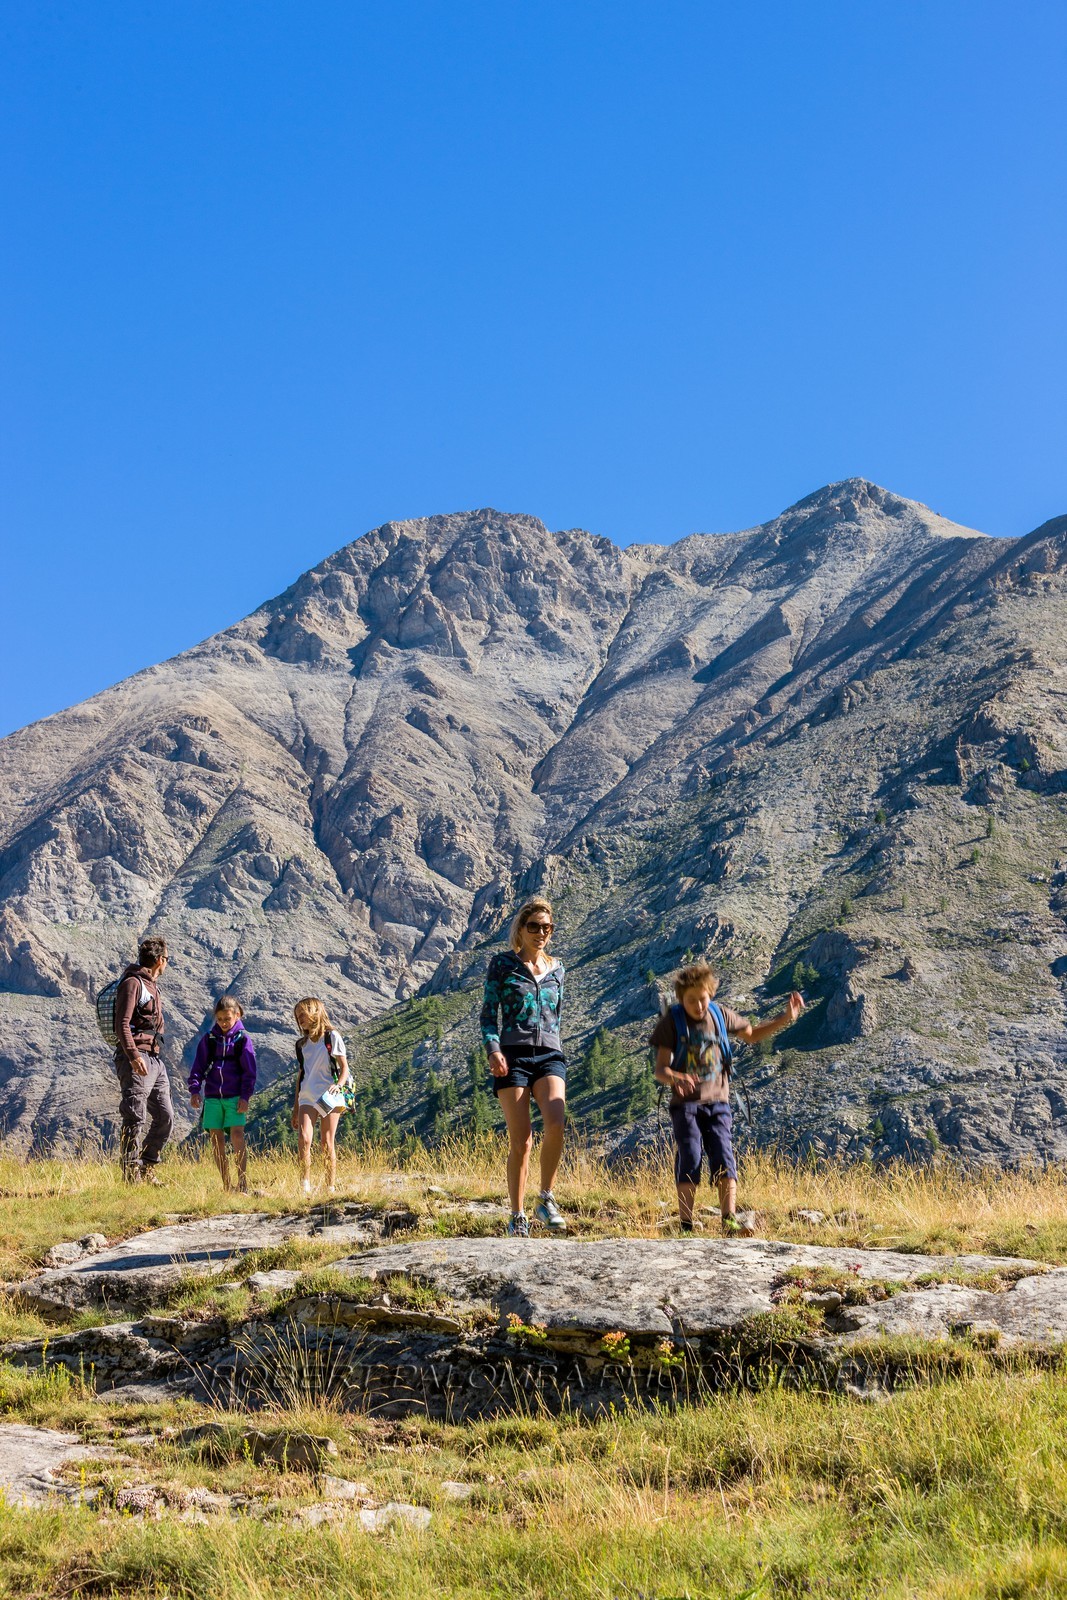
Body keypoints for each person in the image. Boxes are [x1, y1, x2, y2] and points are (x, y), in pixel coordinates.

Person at [650, 962, 804, 1235]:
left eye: (702, 998)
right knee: (690, 1156)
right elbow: (660, 1070)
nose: (698, 1006)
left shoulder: (720, 1015)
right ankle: (686, 1225)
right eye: (691, 1000)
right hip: (685, 1105)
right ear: (681, 999)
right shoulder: (672, 1022)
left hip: (718, 1101)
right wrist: (677, 1078)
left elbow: (752, 1035)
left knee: (724, 1154)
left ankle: (729, 1221)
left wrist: (785, 1018)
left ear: (710, 993)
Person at [481, 896, 569, 1237]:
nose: (541, 933)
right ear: (521, 928)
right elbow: (488, 1014)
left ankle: (545, 1198)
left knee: (556, 1122)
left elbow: (556, 1016)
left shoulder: (558, 969)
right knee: (523, 1141)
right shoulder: (502, 964)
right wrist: (493, 1050)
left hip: (549, 1054)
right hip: (513, 1057)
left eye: (547, 927)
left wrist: (554, 1044)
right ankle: (517, 1216)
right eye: (534, 926)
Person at [114, 936, 173, 1184]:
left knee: (165, 1116)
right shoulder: (133, 983)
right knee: (135, 1116)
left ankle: (148, 1167)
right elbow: (122, 1023)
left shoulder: (152, 986)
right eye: (167, 959)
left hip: (155, 1060)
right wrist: (133, 1055)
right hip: (137, 1058)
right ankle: (131, 1177)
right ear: (160, 960)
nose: (167, 963)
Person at [188, 995, 257, 1193]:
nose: (224, 1023)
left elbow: (249, 1072)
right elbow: (198, 1067)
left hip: (235, 1097)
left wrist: (245, 1097)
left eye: (227, 1018)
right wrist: (195, 1090)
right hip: (212, 1098)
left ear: (237, 1015)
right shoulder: (209, 1040)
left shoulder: (243, 1040)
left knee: (237, 1135)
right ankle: (227, 1185)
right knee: (216, 1140)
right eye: (219, 1019)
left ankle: (242, 1183)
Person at [291, 997, 351, 1197]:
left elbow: (344, 1067)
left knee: (326, 1141)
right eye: (297, 1016)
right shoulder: (301, 1044)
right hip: (307, 1096)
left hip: (328, 1095)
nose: (300, 1019)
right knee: (304, 1139)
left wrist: (339, 1085)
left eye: (303, 1014)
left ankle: (329, 1187)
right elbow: (301, 1075)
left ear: (315, 1012)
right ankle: (304, 1186)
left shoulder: (332, 1037)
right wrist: (296, 1108)